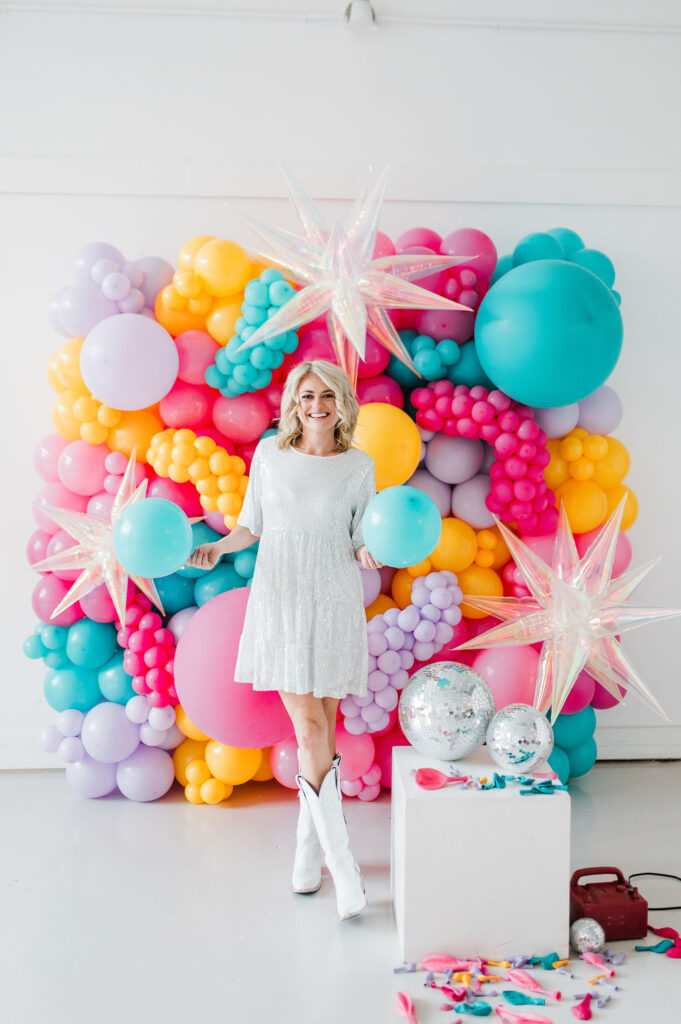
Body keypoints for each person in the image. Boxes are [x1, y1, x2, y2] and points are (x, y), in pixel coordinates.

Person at [187, 359, 381, 920]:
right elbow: (251, 524)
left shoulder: (359, 466)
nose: (316, 405)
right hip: (281, 597)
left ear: (341, 403)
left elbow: (359, 537)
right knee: (311, 729)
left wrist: (371, 550)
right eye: (307, 395)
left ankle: (306, 856)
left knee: (325, 730)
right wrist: (218, 547)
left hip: (335, 599)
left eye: (327, 395)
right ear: (295, 402)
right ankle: (343, 867)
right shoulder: (270, 455)